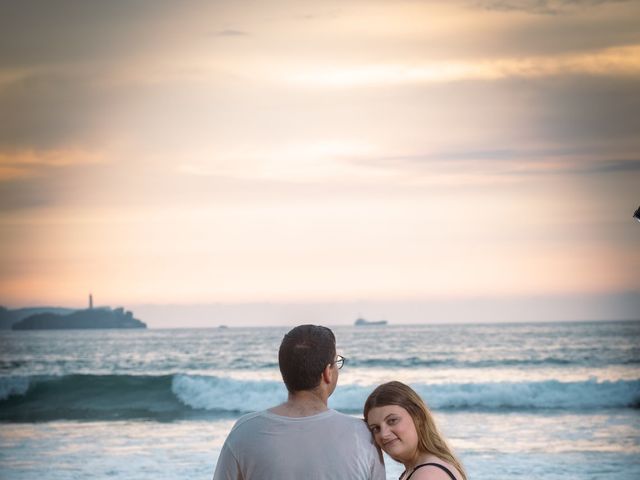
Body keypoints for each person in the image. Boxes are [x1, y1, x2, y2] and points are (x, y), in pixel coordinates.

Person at [213, 324, 386, 480]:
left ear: (284, 372)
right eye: (336, 362)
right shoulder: (362, 435)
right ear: (327, 372)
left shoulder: (245, 431)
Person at [364, 381, 466, 480]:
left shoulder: (428, 474)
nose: (383, 434)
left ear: (418, 417)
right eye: (376, 428)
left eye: (392, 421)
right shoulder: (418, 470)